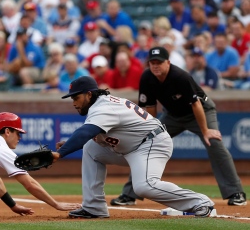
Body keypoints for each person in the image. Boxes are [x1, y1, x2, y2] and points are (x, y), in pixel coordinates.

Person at [49, 76, 215, 218]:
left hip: (152, 143)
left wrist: (60, 154)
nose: (73, 102)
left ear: (89, 94)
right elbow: (92, 134)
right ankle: (93, 207)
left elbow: (86, 131)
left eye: (76, 98)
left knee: (144, 186)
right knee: (91, 149)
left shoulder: (104, 107)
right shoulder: (100, 105)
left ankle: (202, 203)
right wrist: (70, 144)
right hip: (132, 147)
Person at [110, 46, 247, 207]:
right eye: (152, 62)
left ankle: (236, 193)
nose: (155, 66)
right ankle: (129, 195)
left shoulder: (180, 76)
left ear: (168, 62)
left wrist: (205, 131)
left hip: (200, 111)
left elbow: (196, 104)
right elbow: (149, 108)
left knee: (214, 143)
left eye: (159, 62)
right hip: (173, 115)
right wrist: (148, 132)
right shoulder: (147, 77)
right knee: (146, 144)